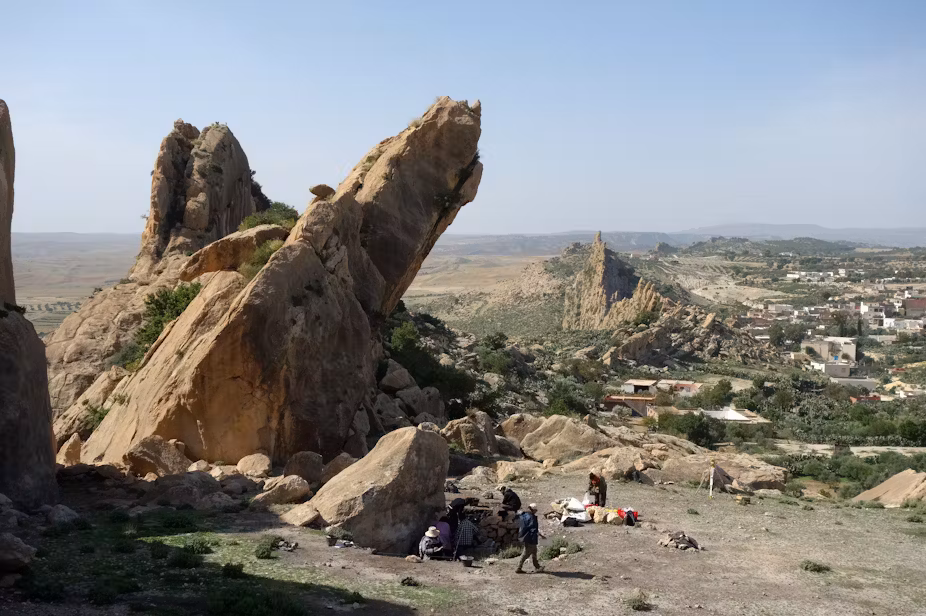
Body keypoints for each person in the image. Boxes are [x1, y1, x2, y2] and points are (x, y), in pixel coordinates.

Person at [516, 503, 545, 574]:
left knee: (534, 551)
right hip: (531, 537)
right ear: (534, 510)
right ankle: (518, 568)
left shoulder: (524, 515)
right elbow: (533, 529)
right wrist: (539, 535)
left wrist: (540, 535)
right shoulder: (532, 517)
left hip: (525, 536)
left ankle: (537, 566)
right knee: (526, 553)